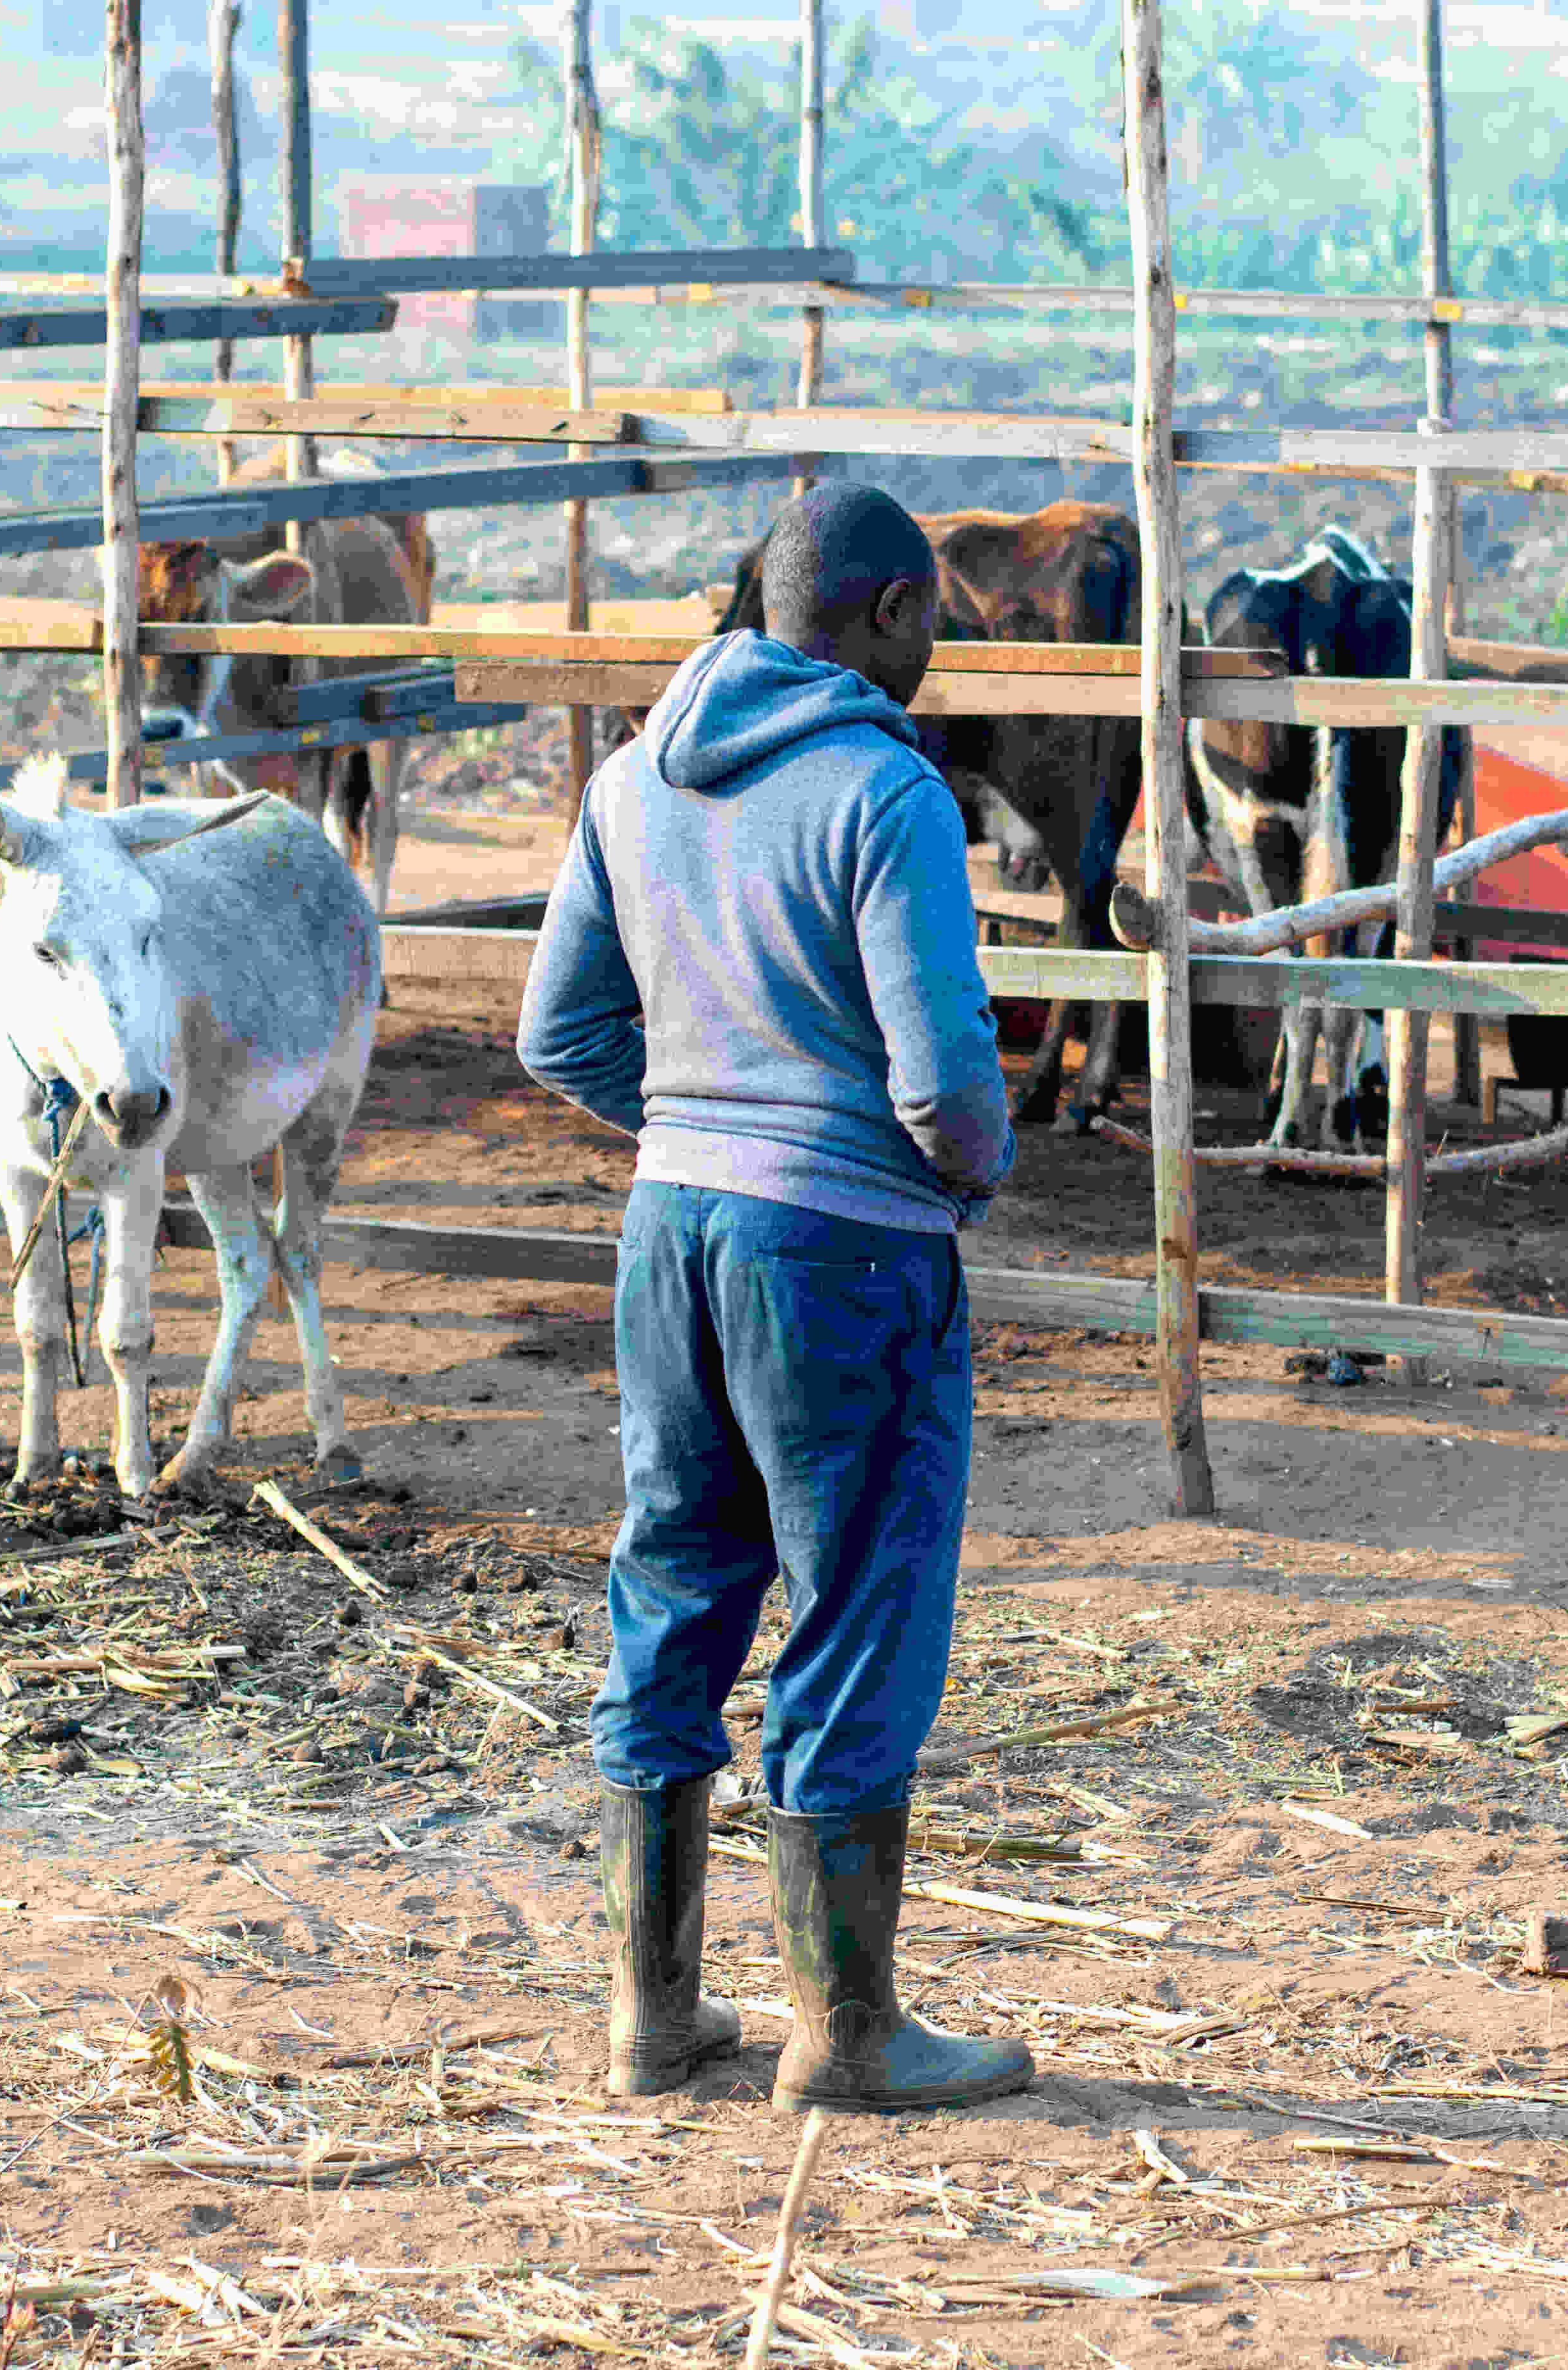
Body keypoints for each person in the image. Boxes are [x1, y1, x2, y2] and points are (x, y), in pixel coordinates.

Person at [518, 483, 1031, 2115]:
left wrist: (694, 1128)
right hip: (843, 1250)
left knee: (672, 1585)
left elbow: (557, 1034)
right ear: (886, 612)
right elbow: (946, 1080)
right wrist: (957, 1174)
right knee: (860, 1596)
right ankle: (848, 2030)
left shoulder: (629, 771)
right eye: (933, 615)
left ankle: (651, 2019)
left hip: (671, 1229)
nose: (938, 648)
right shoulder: (888, 791)